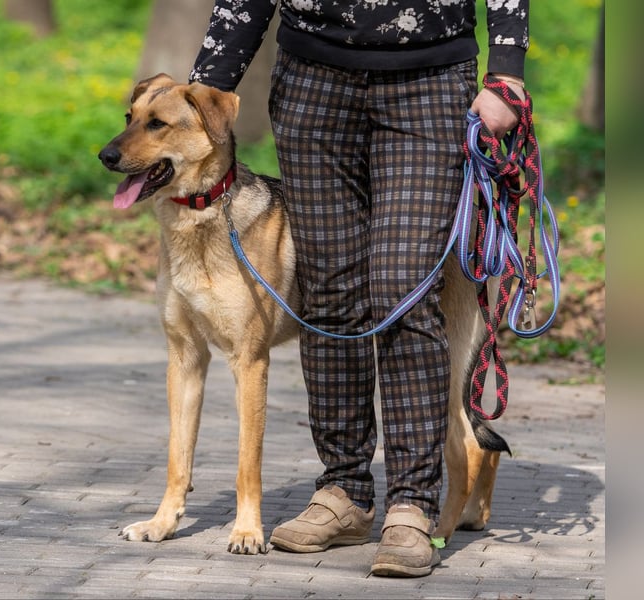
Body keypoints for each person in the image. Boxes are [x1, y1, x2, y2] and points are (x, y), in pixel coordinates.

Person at [190, 0, 528, 577]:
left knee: (404, 288)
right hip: (312, 83)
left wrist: (505, 70)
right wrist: (205, 88)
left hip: (429, 80)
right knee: (328, 289)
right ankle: (344, 490)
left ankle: (411, 506)